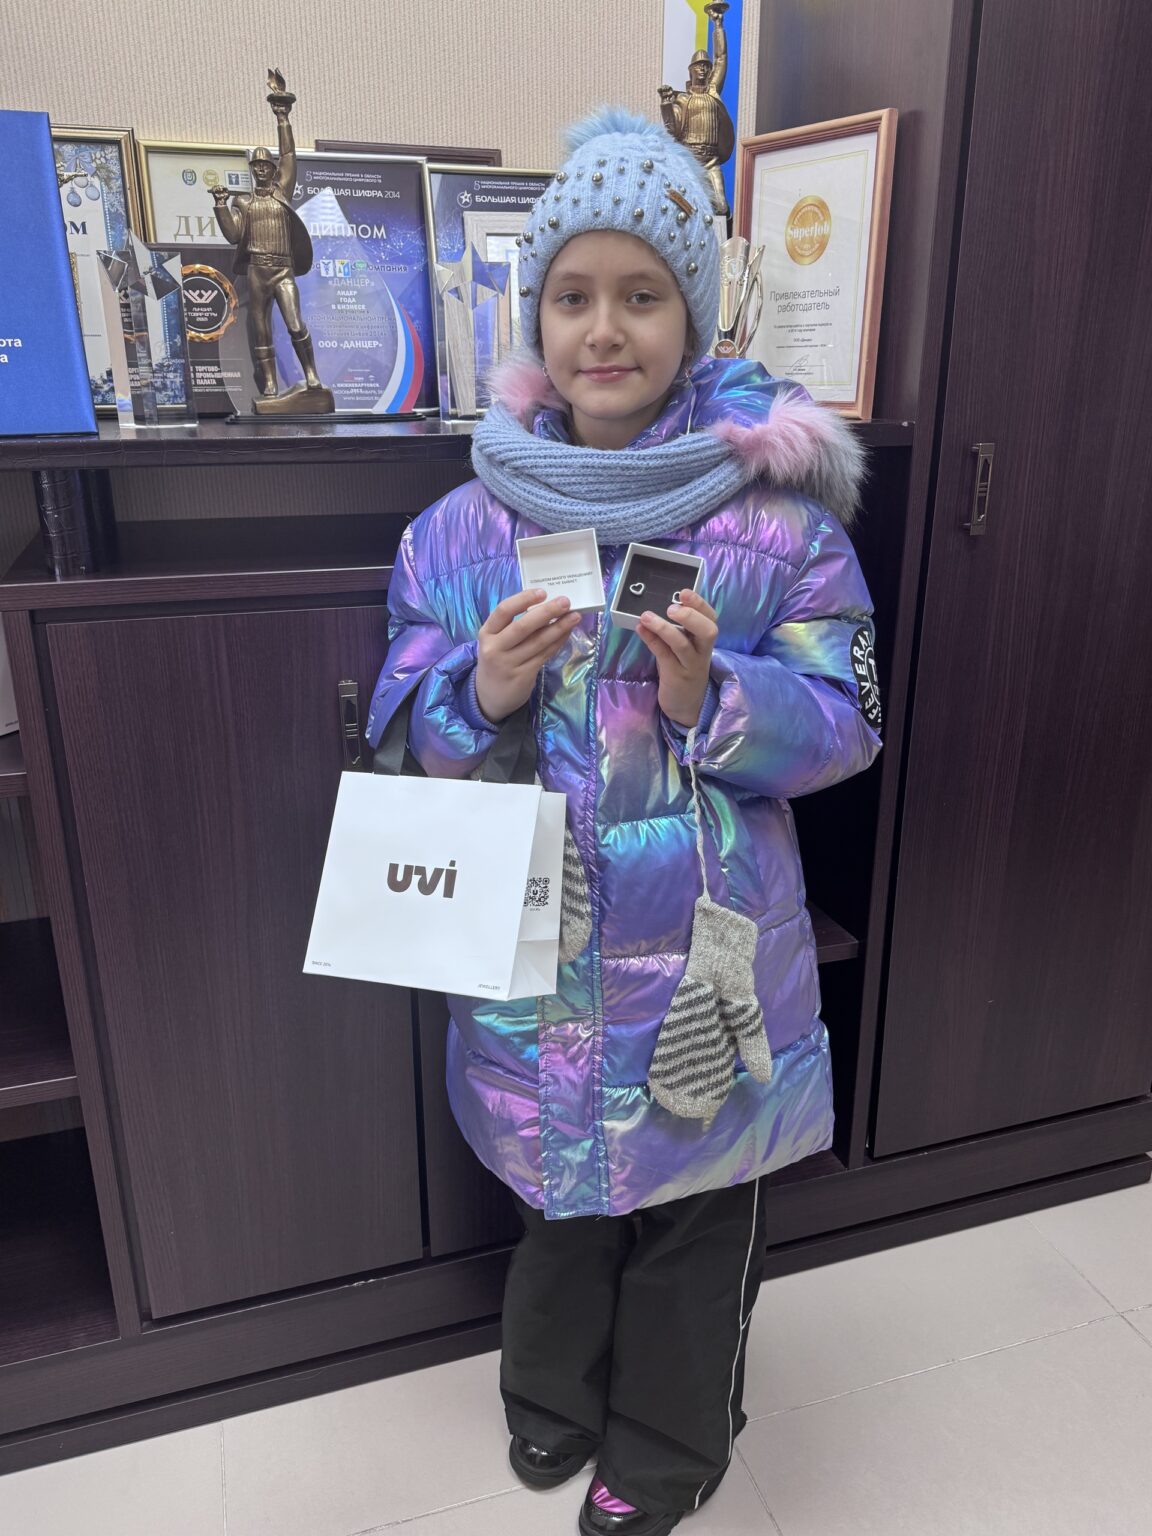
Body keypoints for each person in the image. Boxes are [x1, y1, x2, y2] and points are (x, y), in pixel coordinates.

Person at [364, 106, 882, 1536]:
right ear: (536, 318)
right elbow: (406, 711)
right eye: (575, 295)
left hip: (708, 956)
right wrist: (480, 687)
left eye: (643, 294)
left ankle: (665, 1448)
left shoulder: (780, 526)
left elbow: (849, 720)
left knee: (694, 1219)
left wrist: (720, 698)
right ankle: (550, 1397)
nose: (606, 329)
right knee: (556, 1189)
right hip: (538, 950)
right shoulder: (462, 527)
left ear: (692, 313)